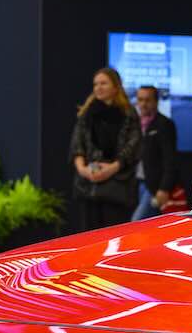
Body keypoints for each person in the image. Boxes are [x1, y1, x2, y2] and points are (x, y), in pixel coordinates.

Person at [69, 66, 140, 231]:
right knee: (87, 236)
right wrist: (83, 169)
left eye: (103, 83)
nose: (98, 88)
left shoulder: (128, 113)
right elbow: (77, 144)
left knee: (114, 234)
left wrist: (113, 167)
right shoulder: (87, 113)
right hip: (88, 184)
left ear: (116, 87)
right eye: (95, 84)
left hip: (118, 183)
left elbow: (134, 145)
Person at [131, 84, 179, 220]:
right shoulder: (134, 124)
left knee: (136, 223)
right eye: (140, 100)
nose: (143, 104)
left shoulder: (164, 124)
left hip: (153, 186)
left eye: (147, 100)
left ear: (156, 101)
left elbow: (171, 159)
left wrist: (164, 188)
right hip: (136, 184)